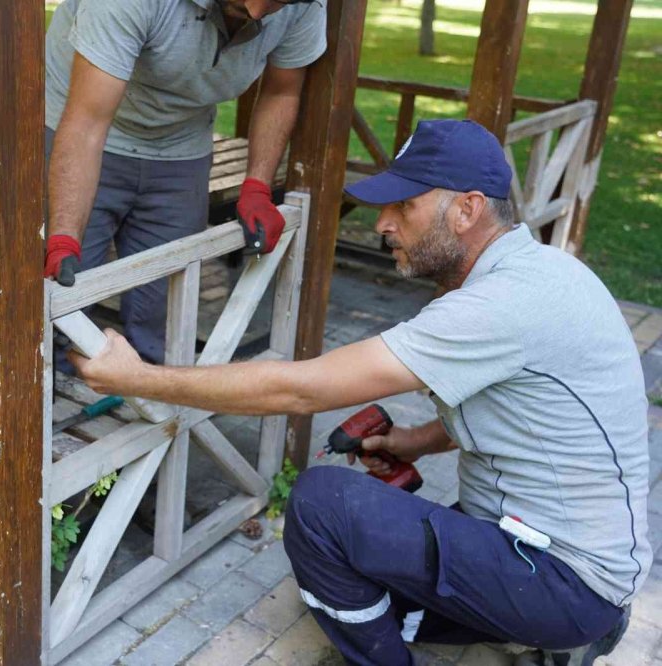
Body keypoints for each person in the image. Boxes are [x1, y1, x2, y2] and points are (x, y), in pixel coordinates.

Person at [69, 119, 651, 665]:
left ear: (467, 210)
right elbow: (521, 412)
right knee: (350, 590)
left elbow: (302, 391)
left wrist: (136, 378)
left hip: (561, 575)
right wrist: (415, 442)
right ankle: (543, 630)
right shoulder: (541, 270)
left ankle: (543, 627)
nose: (382, 224)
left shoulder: (501, 305)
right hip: (555, 558)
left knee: (321, 506)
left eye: (405, 205)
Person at [43, 0, 326, 365]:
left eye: (277, 2)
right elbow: (86, 123)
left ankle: (152, 390)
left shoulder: (306, 5)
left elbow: (281, 92)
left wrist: (257, 186)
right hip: (84, 128)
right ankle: (50, 386)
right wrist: (63, 237)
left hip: (182, 144)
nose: (257, 15)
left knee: (166, 302)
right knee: (63, 296)